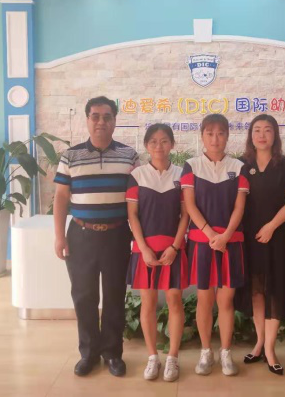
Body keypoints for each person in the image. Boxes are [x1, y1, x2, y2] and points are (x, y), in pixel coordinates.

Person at [53, 96, 139, 378]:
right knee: (83, 296)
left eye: (107, 116)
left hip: (117, 235)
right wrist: (59, 237)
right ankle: (88, 354)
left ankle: (113, 353)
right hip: (81, 235)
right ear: (88, 119)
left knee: (115, 296)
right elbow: (61, 197)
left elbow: (137, 198)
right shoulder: (71, 156)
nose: (101, 122)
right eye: (95, 116)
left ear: (114, 120)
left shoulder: (129, 156)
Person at [180, 113, 249, 377]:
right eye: (209, 133)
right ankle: (206, 351)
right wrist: (211, 235)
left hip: (231, 242)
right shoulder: (191, 166)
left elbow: (239, 207)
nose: (215, 138)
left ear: (228, 136)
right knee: (204, 299)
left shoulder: (239, 167)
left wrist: (226, 235)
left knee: (226, 300)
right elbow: (190, 205)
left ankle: (226, 352)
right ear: (202, 136)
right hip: (202, 243)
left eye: (220, 133)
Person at [236, 114, 285, 376]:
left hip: (276, 235)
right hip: (249, 236)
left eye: (267, 130)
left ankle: (271, 349)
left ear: (275, 135)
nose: (262, 135)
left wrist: (271, 226)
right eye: (257, 130)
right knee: (256, 291)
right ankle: (259, 342)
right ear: (250, 135)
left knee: (275, 290)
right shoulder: (242, 165)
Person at [125, 124, 189, 382]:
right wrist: (143, 249)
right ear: (146, 146)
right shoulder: (137, 175)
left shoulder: (182, 174)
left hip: (173, 248)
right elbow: (132, 215)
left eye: (164, 141)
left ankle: (172, 357)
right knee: (148, 302)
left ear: (172, 144)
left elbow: (186, 215)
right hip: (145, 250)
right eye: (153, 141)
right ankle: (153, 357)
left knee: (174, 300)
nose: (158, 146)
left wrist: (175, 247)